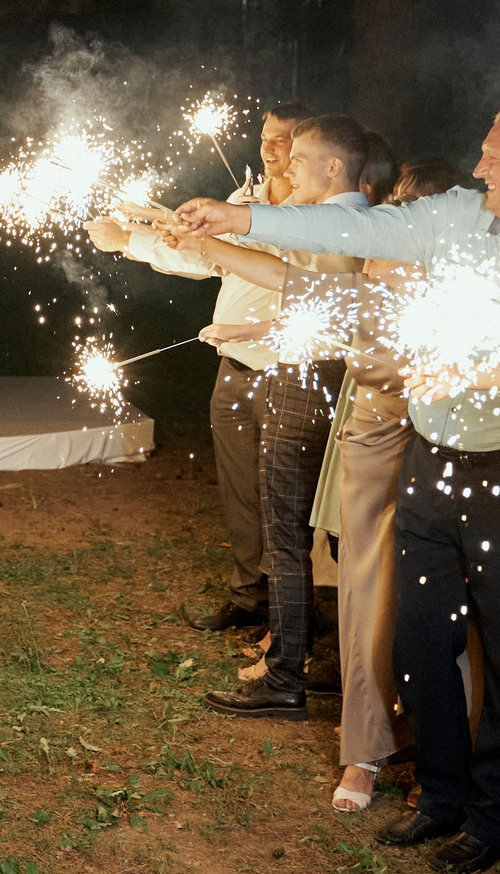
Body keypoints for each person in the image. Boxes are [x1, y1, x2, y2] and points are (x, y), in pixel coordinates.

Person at [177, 103, 500, 873]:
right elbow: (355, 231)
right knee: (419, 638)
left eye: (495, 157)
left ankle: (496, 813)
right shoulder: (456, 219)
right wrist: (240, 217)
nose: (478, 168)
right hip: (432, 458)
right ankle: (438, 795)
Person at [168, 151, 463, 808]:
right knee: (366, 593)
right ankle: (363, 751)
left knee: (441, 608)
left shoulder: (467, 283)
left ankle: (439, 748)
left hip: (448, 447)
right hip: (375, 438)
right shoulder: (379, 266)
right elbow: (299, 284)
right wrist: (216, 240)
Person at [156, 114, 371, 721]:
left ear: (333, 167)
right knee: (313, 532)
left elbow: (285, 267)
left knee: (286, 530)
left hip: (307, 382)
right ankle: (316, 663)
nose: (286, 169)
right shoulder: (342, 222)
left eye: (299, 159)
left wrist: (218, 227)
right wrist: (204, 245)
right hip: (317, 377)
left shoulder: (339, 220)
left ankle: (287, 674)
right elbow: (284, 278)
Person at [89, 101, 313, 635]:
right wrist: (135, 241)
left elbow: (284, 270)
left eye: (284, 139)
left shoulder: (318, 210)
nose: (270, 147)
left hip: (290, 367)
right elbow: (208, 260)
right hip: (233, 366)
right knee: (241, 491)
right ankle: (249, 596)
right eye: (265, 136)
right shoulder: (245, 196)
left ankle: (295, 616)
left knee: (289, 497)